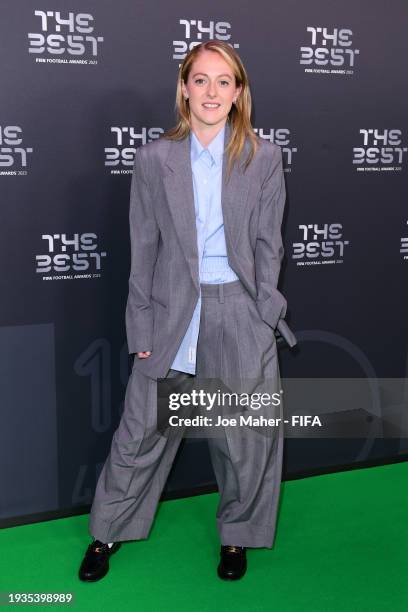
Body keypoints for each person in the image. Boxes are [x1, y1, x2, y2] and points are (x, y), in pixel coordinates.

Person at [78, 40, 296, 583]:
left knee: (245, 438)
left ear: (239, 92)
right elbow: (143, 249)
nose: (212, 92)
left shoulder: (263, 157)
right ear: (183, 88)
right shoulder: (155, 159)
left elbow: (272, 244)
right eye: (201, 80)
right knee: (140, 433)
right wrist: (142, 324)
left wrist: (265, 311)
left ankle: (237, 537)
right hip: (175, 310)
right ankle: (106, 533)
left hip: (241, 312)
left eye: (224, 82)